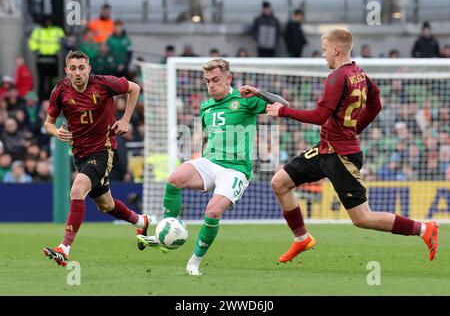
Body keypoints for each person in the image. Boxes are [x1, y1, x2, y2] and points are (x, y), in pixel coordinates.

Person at [240, 28, 439, 263]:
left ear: (336, 49)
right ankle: (302, 238)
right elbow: (375, 104)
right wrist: (354, 129)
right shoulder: (360, 74)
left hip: (341, 156)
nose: (323, 55)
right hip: (326, 149)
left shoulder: (337, 77)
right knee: (280, 182)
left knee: (362, 218)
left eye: (324, 50)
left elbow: (319, 116)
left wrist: (283, 112)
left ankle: (423, 229)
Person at [137, 58, 288, 275]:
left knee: (213, 211)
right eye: (207, 81)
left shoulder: (245, 100)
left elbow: (285, 105)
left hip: (235, 170)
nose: (211, 85)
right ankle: (166, 231)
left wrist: (258, 92)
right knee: (174, 179)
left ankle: (194, 262)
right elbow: (211, 135)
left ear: (228, 79)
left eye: (215, 80)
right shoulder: (206, 107)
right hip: (210, 161)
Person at [42, 50, 150, 266]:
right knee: (105, 205)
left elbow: (134, 88)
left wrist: (125, 119)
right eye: (73, 68)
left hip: (104, 149)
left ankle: (64, 248)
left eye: (82, 68)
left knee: (77, 189)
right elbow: (48, 122)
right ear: (67, 71)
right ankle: (141, 220)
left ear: (89, 68)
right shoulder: (60, 91)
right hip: (80, 154)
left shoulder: (103, 84)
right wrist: (56, 132)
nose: (78, 73)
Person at [27, 15, 65, 101]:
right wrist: (36, 51)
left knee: (54, 80)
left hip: (54, 58)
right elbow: (31, 41)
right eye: (46, 21)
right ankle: (42, 100)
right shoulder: (38, 31)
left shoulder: (57, 30)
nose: (48, 23)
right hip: (42, 58)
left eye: (49, 21)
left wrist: (60, 51)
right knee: (42, 81)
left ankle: (53, 98)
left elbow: (64, 41)